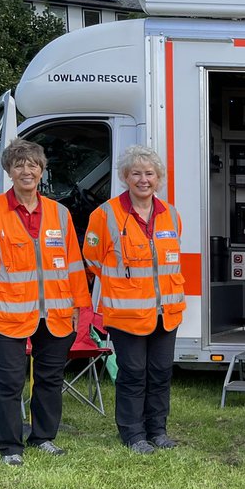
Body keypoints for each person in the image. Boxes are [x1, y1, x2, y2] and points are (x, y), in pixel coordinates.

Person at [0, 139, 91, 466]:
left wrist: (79, 306)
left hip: (56, 313)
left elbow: (74, 264)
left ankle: (43, 437)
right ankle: (10, 446)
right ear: (9, 171)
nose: (26, 171)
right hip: (6, 313)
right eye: (19, 165)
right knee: (9, 383)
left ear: (42, 171)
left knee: (50, 380)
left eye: (33, 164)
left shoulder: (60, 213)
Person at [82, 145, 185, 453]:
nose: (143, 180)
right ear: (125, 177)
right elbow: (92, 259)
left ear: (158, 179)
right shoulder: (105, 215)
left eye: (149, 174)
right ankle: (133, 434)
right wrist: (124, 286)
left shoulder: (171, 214)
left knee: (161, 373)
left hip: (166, 312)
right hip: (126, 315)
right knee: (133, 374)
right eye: (136, 173)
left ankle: (158, 431)